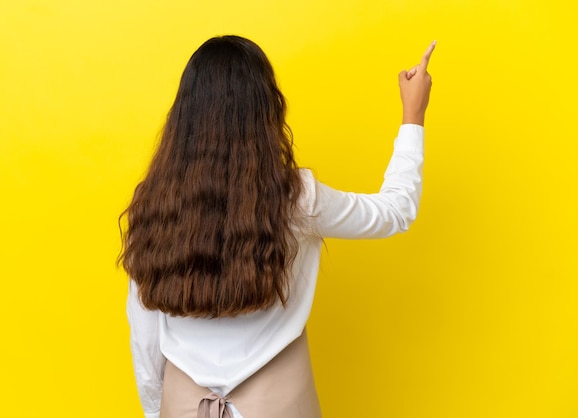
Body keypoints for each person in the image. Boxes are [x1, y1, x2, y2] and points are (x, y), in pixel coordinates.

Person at [121, 35, 435, 418]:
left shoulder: (154, 204)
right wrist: (413, 116)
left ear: (184, 115)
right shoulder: (296, 198)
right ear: (266, 109)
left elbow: (145, 338)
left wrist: (157, 411)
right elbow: (395, 210)